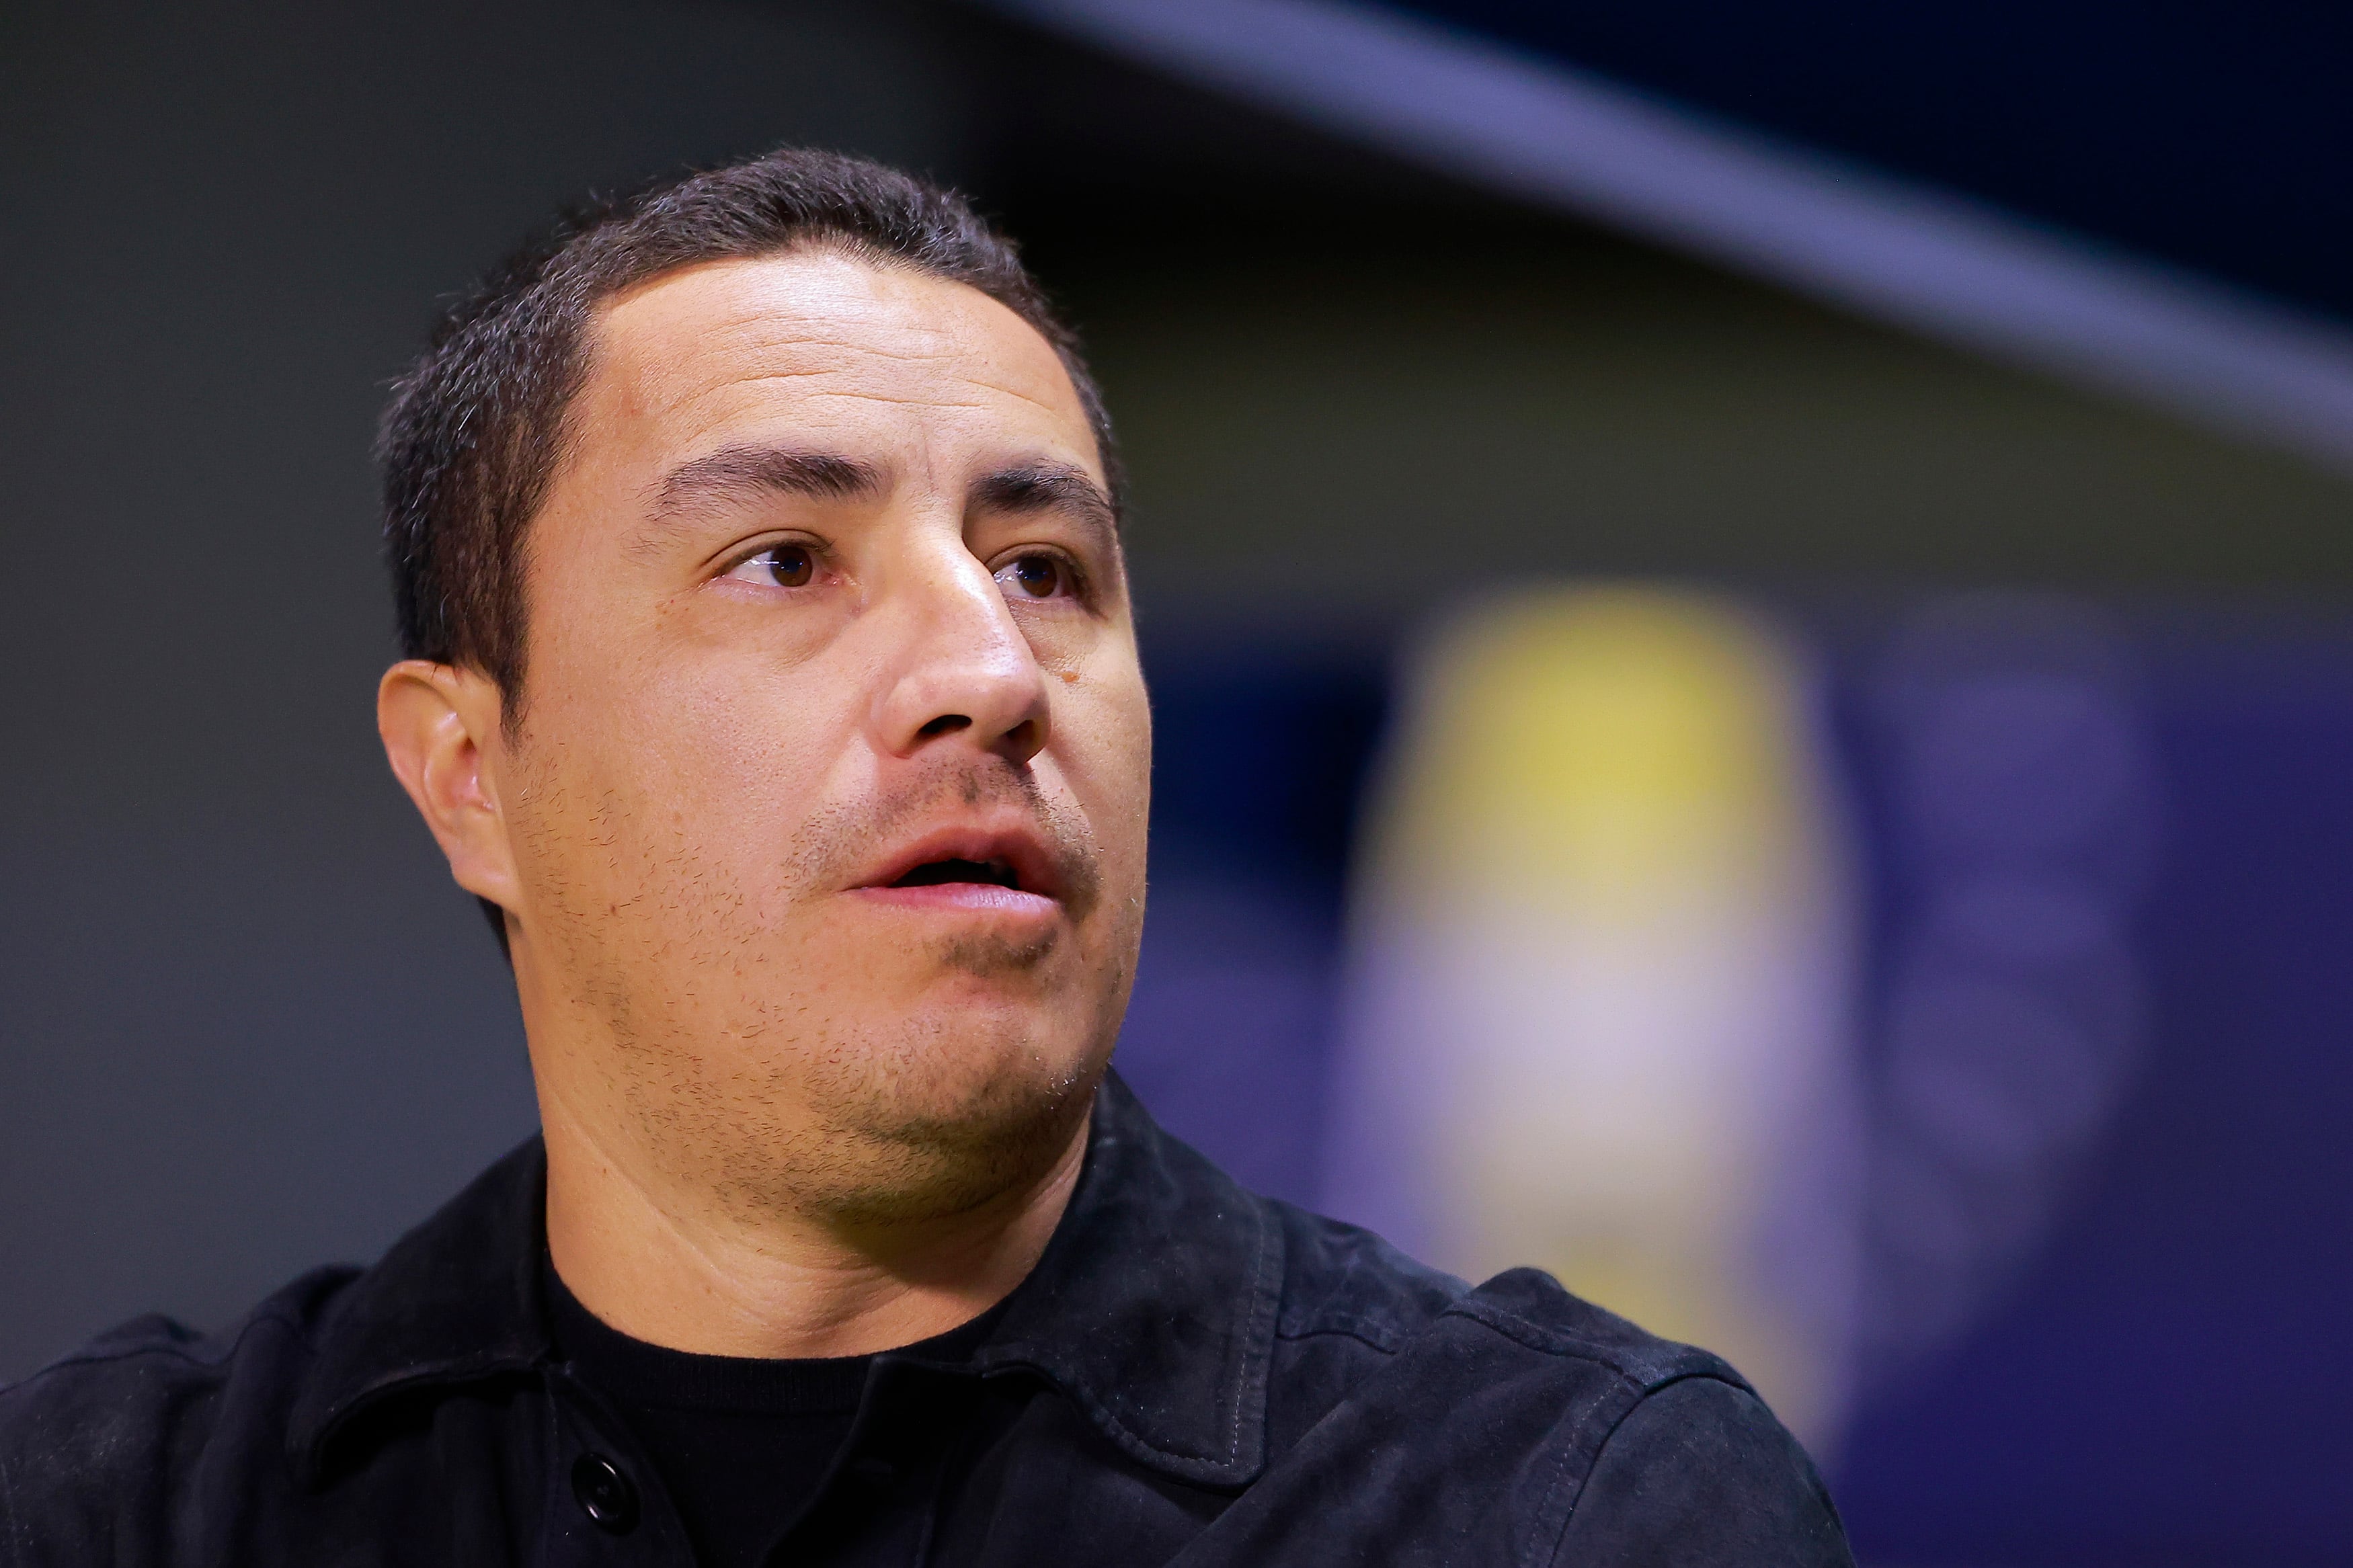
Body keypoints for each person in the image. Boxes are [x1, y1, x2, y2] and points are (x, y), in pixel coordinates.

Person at [0, 149, 1852, 1566]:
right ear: (469, 772)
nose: (985, 670)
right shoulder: (125, 1516)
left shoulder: (1554, 1510)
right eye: (786, 562)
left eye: (1044, 572)